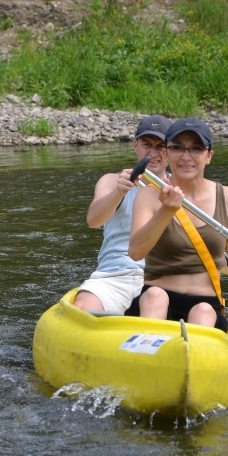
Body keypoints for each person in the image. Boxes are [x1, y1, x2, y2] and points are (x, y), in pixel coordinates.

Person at [126, 117, 228, 331]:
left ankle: (195, 356)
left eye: (195, 148)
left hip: (206, 305)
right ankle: (147, 352)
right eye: (177, 148)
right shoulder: (148, 196)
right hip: (155, 300)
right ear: (167, 153)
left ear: (209, 155)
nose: (186, 157)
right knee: (155, 297)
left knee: (202, 311)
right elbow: (136, 252)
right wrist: (166, 210)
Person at [72, 115, 172, 313]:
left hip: (161, 278)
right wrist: (119, 191)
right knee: (83, 307)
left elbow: (199, 239)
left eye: (161, 146)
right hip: (113, 275)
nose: (153, 153)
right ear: (135, 145)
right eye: (147, 144)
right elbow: (93, 221)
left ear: (171, 150)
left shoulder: (179, 190)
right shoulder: (111, 181)